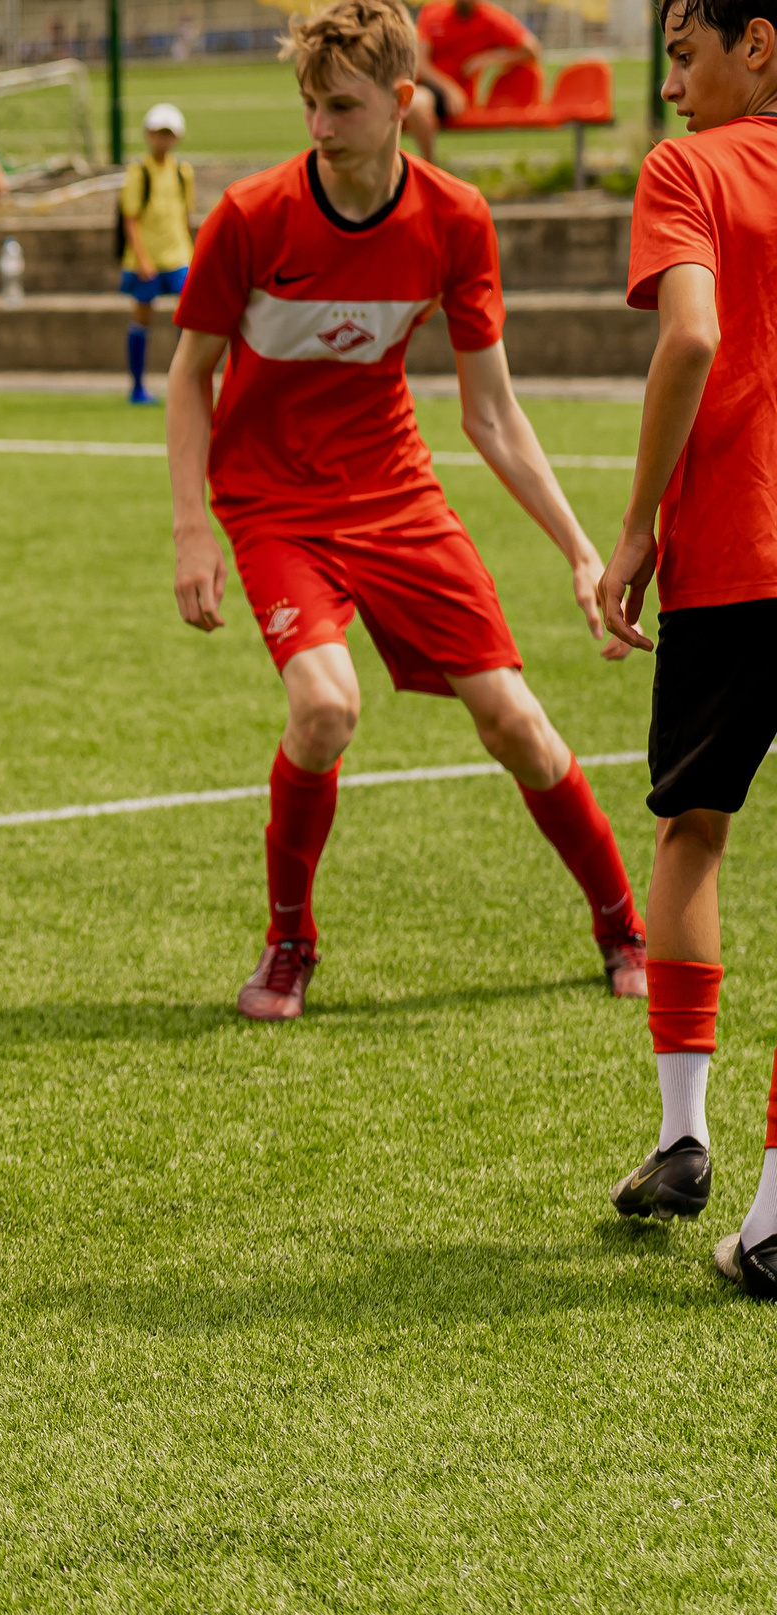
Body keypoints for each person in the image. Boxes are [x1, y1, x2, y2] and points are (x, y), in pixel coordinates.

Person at [166, 0, 644, 1023]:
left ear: (402, 103)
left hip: (394, 494)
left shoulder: (454, 218)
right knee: (325, 705)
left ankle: (620, 923)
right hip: (274, 505)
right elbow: (188, 376)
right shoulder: (249, 215)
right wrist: (190, 526)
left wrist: (576, 550)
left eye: (341, 106)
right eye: (307, 104)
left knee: (515, 722)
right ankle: (288, 941)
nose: (320, 127)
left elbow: (491, 413)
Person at [591, 0, 777, 1292]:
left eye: (681, 52)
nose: (667, 85)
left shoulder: (691, 169)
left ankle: (688, 1138)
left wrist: (636, 524)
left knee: (692, 830)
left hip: (736, 564)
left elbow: (693, 335)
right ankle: (735, 1187)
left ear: (756, 43)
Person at [119, 102, 193, 407]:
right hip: (146, 260)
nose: (162, 140)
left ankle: (185, 381)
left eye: (168, 134)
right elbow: (130, 219)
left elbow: (185, 215)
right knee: (142, 318)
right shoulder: (139, 172)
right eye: (157, 134)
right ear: (148, 135)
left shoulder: (182, 171)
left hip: (178, 256)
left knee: (189, 319)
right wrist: (143, 258)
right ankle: (137, 385)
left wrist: (192, 252)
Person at [409, 0, 542, 161]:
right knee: (411, 103)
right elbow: (420, 64)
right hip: (432, 86)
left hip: (460, 99)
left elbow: (532, 49)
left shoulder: (490, 18)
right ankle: (429, 169)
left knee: (415, 104)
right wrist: (449, 89)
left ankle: (430, 168)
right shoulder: (433, 12)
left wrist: (487, 58)